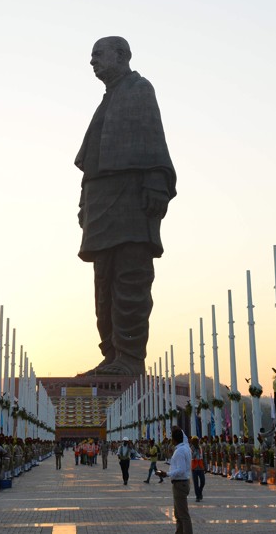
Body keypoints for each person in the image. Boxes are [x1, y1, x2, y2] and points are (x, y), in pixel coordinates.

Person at [76, 36, 177, 377]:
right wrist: (83, 203)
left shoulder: (139, 89)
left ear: (121, 55)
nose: (92, 61)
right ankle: (112, 354)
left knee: (130, 279)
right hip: (101, 205)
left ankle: (130, 358)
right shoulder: (106, 102)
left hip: (132, 201)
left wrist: (155, 183)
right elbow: (91, 161)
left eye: (97, 54)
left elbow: (153, 140)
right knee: (103, 284)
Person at [156, 426, 193, 534]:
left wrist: (166, 474)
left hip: (180, 484)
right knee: (178, 514)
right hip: (182, 483)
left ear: (175, 440)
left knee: (183, 515)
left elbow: (181, 470)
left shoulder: (180, 451)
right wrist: (180, 429)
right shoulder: (186, 447)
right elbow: (184, 437)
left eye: (172, 437)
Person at [190, 436, 206, 501]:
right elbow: (191, 456)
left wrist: (205, 466)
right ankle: (197, 496)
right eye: (196, 441)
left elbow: (203, 457)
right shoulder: (191, 448)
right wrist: (195, 452)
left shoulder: (200, 448)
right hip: (194, 467)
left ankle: (200, 491)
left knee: (203, 481)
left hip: (201, 467)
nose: (197, 442)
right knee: (196, 483)